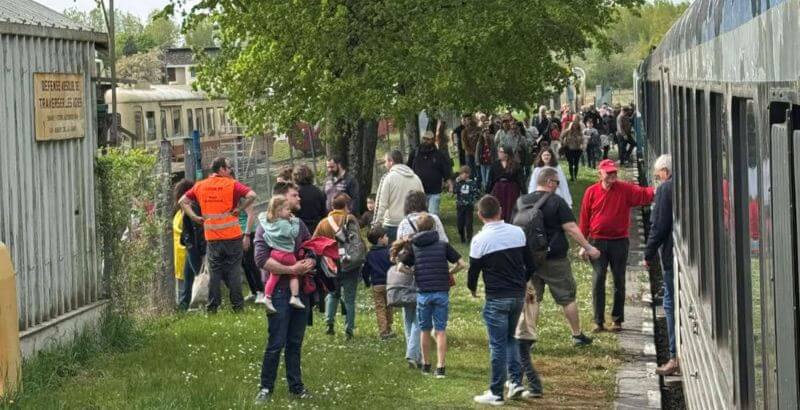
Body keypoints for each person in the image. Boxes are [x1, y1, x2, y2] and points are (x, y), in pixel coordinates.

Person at [518, 167, 600, 346]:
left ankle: (528, 337)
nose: (557, 186)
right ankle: (577, 335)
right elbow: (571, 228)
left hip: (529, 259)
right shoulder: (556, 201)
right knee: (567, 297)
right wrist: (588, 247)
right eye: (557, 182)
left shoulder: (522, 201)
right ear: (548, 182)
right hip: (554, 259)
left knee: (531, 298)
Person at [468, 195, 535, 405]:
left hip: (496, 297)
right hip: (516, 296)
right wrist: (521, 282)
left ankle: (496, 392)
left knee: (497, 345)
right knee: (511, 339)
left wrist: (472, 289)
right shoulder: (518, 233)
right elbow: (531, 264)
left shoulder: (480, 240)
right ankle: (515, 382)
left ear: (480, 216)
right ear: (500, 211)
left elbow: (473, 273)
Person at [254, 181, 315, 403]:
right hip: (278, 294)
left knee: (295, 343)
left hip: (300, 292)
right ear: (281, 200)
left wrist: (311, 260)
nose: (298, 198)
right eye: (294, 195)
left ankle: (296, 386)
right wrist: (292, 269)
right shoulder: (265, 226)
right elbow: (261, 259)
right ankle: (266, 388)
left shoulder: (299, 225)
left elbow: (310, 247)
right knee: (276, 342)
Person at [579, 159, 654, 332]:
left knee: (619, 279)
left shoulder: (625, 189)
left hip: (619, 241)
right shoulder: (591, 192)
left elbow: (643, 194)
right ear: (600, 174)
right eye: (609, 172)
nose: (612, 175)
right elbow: (584, 219)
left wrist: (662, 188)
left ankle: (617, 319)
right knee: (598, 279)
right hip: (597, 242)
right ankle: (598, 321)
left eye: (614, 172)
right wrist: (583, 243)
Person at [179, 156, 256, 313]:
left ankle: (212, 307)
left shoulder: (200, 186)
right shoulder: (232, 184)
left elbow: (182, 201)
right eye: (228, 168)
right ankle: (237, 307)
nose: (230, 170)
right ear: (221, 169)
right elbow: (252, 195)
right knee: (233, 271)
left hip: (213, 237)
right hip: (233, 236)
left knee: (214, 272)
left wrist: (194, 216)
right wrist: (240, 209)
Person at [394, 213, 465, 379]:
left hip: (423, 293)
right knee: (440, 330)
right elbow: (461, 263)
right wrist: (450, 272)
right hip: (441, 291)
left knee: (424, 330)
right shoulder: (442, 245)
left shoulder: (414, 246)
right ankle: (441, 367)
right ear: (434, 227)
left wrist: (412, 272)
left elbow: (399, 267)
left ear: (418, 229)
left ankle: (426, 365)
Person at [645, 155, 678, 376]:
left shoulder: (666, 189)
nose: (657, 179)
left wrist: (647, 253)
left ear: (665, 171)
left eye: (657, 175)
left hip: (669, 255)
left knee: (669, 303)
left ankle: (674, 357)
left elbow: (659, 226)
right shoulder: (682, 184)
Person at [314, 193, 362, 339]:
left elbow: (314, 241)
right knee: (349, 298)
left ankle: (329, 323)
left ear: (332, 206)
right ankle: (348, 329)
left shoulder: (323, 222)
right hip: (349, 263)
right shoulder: (350, 218)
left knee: (332, 293)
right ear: (347, 206)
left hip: (331, 265)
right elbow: (357, 241)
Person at [260, 195, 306, 313]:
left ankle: (267, 297)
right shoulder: (284, 224)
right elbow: (294, 233)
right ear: (279, 211)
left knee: (274, 276)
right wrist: (295, 221)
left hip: (275, 253)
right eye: (287, 209)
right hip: (287, 255)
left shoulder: (269, 222)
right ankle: (295, 297)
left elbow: (262, 216)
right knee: (294, 274)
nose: (289, 211)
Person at [373, 150, 425, 242]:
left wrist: (376, 223)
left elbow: (381, 203)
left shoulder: (387, 178)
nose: (385, 164)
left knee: (393, 254)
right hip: (414, 223)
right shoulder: (416, 178)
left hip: (392, 225)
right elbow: (423, 201)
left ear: (391, 161)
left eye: (385, 161)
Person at [173, 179, 206, 310]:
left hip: (190, 248)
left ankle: (206, 303)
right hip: (186, 248)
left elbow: (197, 230)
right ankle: (184, 304)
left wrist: (201, 249)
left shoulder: (190, 208)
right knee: (190, 278)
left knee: (200, 277)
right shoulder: (181, 211)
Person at [409, 131, 453, 215]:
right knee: (420, 216)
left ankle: (432, 228)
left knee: (432, 215)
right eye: (424, 138)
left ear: (433, 140)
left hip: (434, 191)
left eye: (428, 139)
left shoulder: (439, 155)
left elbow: (446, 171)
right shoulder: (414, 154)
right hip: (419, 191)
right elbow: (408, 169)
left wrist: (450, 185)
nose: (426, 141)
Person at [362, 226, 394, 340]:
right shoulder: (389, 252)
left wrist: (366, 282)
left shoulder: (370, 255)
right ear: (380, 239)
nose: (387, 237)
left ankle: (383, 331)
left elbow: (365, 271)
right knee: (389, 306)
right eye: (386, 236)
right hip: (389, 283)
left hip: (377, 284)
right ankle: (389, 327)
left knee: (380, 307)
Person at [486, 145, 526, 223]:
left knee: (510, 208)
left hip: (511, 190)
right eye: (499, 151)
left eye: (501, 152)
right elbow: (491, 180)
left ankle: (510, 223)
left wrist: (524, 192)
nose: (499, 153)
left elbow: (521, 180)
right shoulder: (495, 165)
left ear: (507, 153)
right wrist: (487, 192)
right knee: (499, 207)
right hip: (499, 189)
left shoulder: (516, 165)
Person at [293, 165, 327, 234]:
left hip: (301, 229)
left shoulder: (295, 193)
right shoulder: (318, 191)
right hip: (317, 228)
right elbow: (324, 212)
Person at [454, 166, 480, 243]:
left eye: (466, 173)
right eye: (462, 173)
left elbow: (476, 193)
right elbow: (455, 191)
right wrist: (457, 182)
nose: (464, 175)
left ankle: (469, 238)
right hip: (460, 206)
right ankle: (462, 237)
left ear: (469, 174)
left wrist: (474, 201)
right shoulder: (459, 183)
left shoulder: (472, 183)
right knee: (460, 224)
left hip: (469, 206)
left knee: (469, 223)